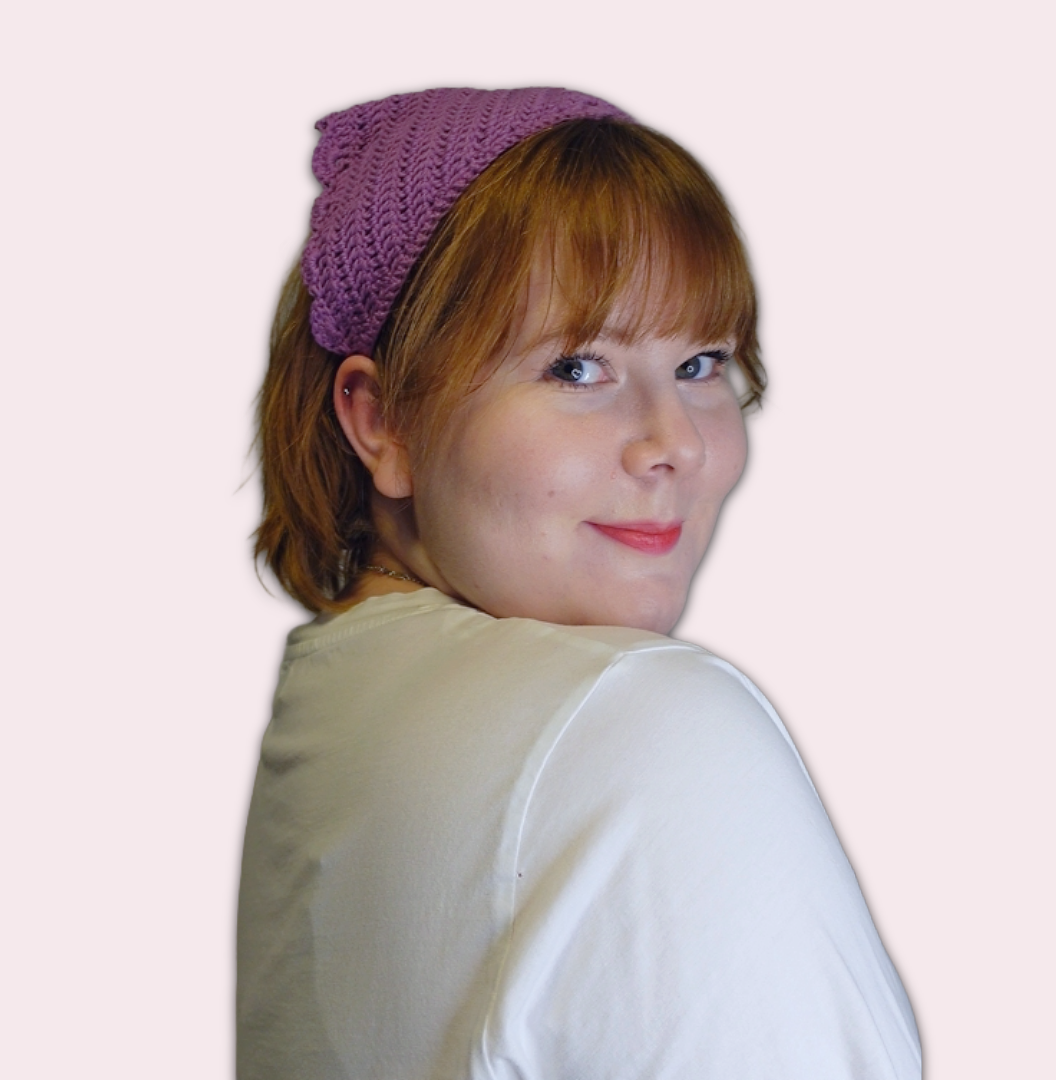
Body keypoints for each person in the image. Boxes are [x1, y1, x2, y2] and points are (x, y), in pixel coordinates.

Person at [238, 87, 921, 1079]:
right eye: (576, 368)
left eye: (700, 361)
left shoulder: (332, 701)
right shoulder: (647, 725)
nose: (676, 442)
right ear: (379, 419)